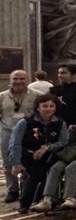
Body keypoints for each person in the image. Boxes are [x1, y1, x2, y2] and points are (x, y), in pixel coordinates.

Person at [8, 94, 69, 214]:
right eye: (45, 106)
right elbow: (15, 143)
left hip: (49, 155)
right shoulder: (25, 122)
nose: (48, 109)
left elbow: (63, 141)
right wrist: (15, 163)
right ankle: (25, 203)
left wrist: (48, 147)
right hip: (27, 154)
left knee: (50, 172)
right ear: (37, 108)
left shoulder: (60, 123)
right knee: (33, 175)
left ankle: (46, 200)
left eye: (52, 106)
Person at [1, 70, 41, 203]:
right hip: (7, 132)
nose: (18, 81)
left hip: (28, 134)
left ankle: (26, 188)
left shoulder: (37, 96)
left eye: (22, 79)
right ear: (10, 80)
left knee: (27, 162)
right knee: (8, 163)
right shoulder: (2, 96)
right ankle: (12, 189)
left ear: (28, 80)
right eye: (15, 79)